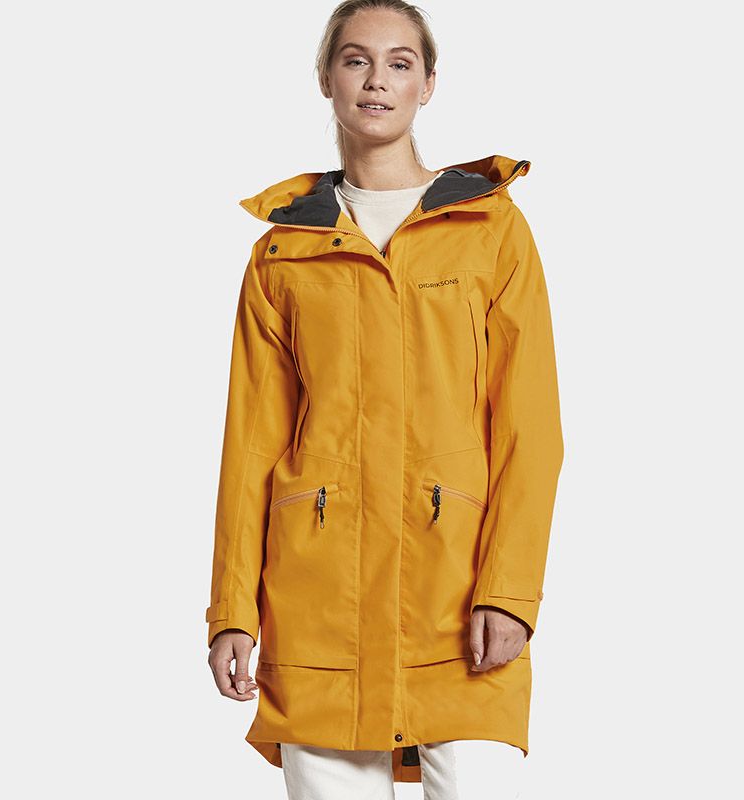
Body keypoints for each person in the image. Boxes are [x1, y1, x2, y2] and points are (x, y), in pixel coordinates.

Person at [205, 1, 564, 798]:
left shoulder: (489, 229)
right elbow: (252, 440)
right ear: (327, 78)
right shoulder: (283, 251)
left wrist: (509, 591)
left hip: (458, 599)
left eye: (400, 63)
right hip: (318, 607)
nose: (377, 81)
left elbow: (530, 429)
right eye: (356, 60)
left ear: (427, 84)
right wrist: (232, 608)